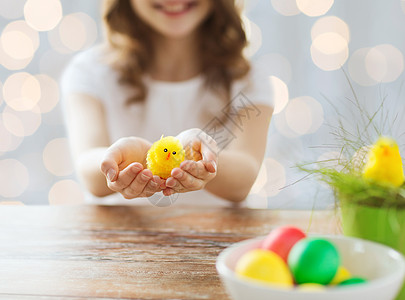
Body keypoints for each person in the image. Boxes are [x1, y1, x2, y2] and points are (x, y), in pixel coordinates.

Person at [61, 0, 274, 206]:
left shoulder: (249, 79)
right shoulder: (89, 72)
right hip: (117, 236)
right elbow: (88, 170)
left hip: (217, 238)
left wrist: (200, 158)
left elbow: (244, 178)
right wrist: (131, 158)